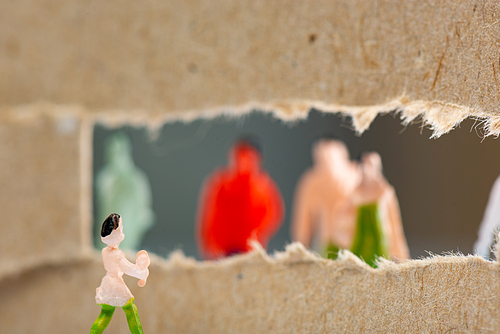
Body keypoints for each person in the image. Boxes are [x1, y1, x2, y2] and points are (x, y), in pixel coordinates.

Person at [291, 139, 409, 262]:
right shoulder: (315, 182)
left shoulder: (381, 191)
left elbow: (393, 227)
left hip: (355, 251)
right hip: (345, 250)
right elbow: (303, 230)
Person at [196, 138, 284, 259]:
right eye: (239, 157)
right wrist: (209, 245)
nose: (243, 163)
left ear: (258, 159)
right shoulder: (219, 184)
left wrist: (256, 235)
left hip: (250, 250)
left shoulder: (263, 187)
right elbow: (208, 218)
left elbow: (273, 215)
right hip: (221, 250)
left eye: (248, 158)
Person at [91, 213, 150, 334]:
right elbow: (128, 269)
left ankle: (94, 332)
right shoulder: (117, 254)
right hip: (116, 284)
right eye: (120, 228)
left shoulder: (104, 251)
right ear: (113, 233)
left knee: (106, 312)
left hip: (107, 284)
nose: (122, 229)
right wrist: (141, 273)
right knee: (130, 309)